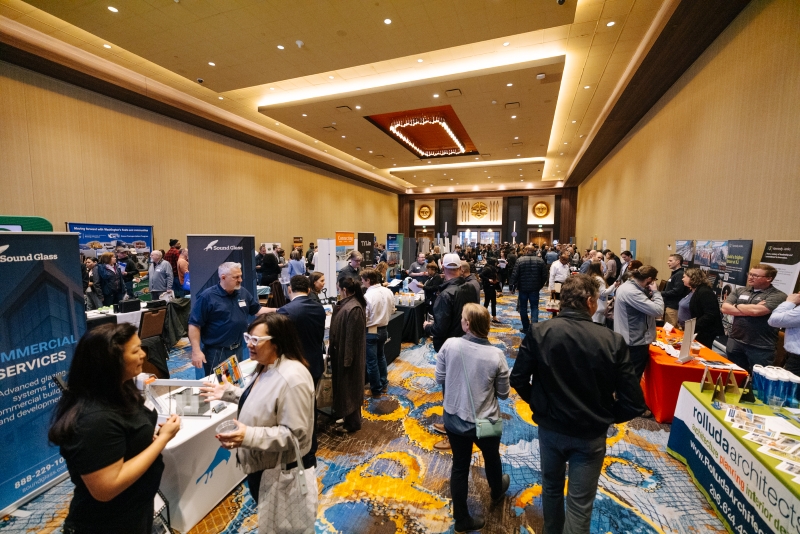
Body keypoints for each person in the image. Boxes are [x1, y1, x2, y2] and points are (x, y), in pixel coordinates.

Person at [510, 275, 646, 534]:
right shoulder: (612, 340)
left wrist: (540, 405)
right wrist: (605, 416)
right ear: (590, 302)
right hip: (590, 435)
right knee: (580, 504)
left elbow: (517, 379)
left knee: (551, 488)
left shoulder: (539, 332)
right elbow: (633, 403)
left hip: (551, 429)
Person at [49, 323, 181, 534]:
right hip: (105, 525)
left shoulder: (121, 389)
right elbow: (107, 488)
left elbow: (125, 443)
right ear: (111, 360)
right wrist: (163, 440)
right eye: (136, 350)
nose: (144, 354)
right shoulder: (94, 420)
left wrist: (151, 438)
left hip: (133, 514)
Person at [201, 314, 316, 532]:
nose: (249, 345)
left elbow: (294, 435)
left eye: (256, 340)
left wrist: (248, 436)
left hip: (283, 472)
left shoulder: (293, 379)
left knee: (286, 526)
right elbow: (262, 399)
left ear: (277, 342)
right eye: (248, 337)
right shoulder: (266, 366)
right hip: (264, 468)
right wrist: (231, 392)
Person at [435, 304, 510, 532]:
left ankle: (462, 520)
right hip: (485, 421)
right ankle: (497, 492)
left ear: (467, 325)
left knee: (459, 466)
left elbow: (439, 378)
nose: (460, 320)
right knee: (491, 457)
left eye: (462, 318)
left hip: (454, 418)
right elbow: (504, 394)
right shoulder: (497, 355)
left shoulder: (450, 344)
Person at [188, 262, 267, 377]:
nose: (240, 280)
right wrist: (196, 351)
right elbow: (194, 324)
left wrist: (281, 310)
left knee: (235, 384)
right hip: (216, 352)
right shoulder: (207, 297)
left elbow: (257, 310)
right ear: (223, 277)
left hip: (237, 349)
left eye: (240, 276)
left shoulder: (242, 292)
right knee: (218, 386)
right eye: (236, 277)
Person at [721, 264, 787, 373]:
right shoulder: (740, 290)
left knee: (758, 380)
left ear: (769, 279)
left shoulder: (778, 295)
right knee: (734, 375)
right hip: (736, 340)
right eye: (750, 274)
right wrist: (750, 310)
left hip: (760, 347)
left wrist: (737, 306)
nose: (750, 277)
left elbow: (757, 311)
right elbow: (724, 308)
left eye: (755, 275)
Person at [614, 265, 663, 388]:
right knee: (632, 379)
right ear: (649, 279)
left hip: (627, 338)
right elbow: (658, 311)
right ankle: (628, 405)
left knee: (626, 376)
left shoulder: (627, 286)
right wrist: (656, 292)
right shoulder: (633, 292)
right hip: (635, 342)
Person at [329, 276, 367, 434]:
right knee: (345, 390)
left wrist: (347, 360)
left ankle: (353, 423)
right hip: (343, 355)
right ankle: (347, 419)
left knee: (350, 390)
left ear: (344, 290)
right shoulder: (347, 305)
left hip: (349, 359)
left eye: (338, 288)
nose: (338, 291)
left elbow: (352, 338)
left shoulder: (354, 308)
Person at [361, 268, 396, 398]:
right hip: (384, 329)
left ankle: (376, 389)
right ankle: (384, 383)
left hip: (371, 331)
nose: (362, 282)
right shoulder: (388, 291)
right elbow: (393, 310)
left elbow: (364, 317)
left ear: (368, 280)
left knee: (371, 362)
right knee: (381, 356)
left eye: (363, 280)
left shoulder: (367, 296)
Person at [680, 267, 724, 346]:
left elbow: (710, 314)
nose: (682, 279)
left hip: (704, 331)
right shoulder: (693, 290)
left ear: (692, 278)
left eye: (684, 277)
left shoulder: (705, 292)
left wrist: (693, 326)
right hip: (696, 329)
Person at [510, 245, 547, 333]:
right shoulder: (540, 260)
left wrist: (512, 286)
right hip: (535, 288)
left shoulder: (520, 260)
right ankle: (534, 329)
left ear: (526, 250)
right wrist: (540, 285)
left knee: (523, 308)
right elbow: (545, 276)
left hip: (523, 288)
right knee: (534, 308)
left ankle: (526, 328)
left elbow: (515, 274)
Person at [769, 293, 800, 375]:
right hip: (793, 356)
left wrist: (790, 302)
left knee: (791, 387)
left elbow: (774, 320)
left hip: (797, 360)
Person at [662, 254, 689, 326]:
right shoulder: (675, 273)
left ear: (677, 262)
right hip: (670, 305)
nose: (668, 262)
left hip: (673, 307)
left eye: (670, 261)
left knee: (670, 330)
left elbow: (677, 291)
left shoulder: (679, 274)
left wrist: (661, 293)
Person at [479, 257, 501, 323]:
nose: (496, 264)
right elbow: (481, 275)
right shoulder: (487, 269)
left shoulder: (492, 268)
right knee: (487, 302)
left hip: (492, 286)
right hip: (488, 286)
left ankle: (494, 317)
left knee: (493, 302)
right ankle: (483, 317)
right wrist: (488, 279)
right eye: (495, 262)